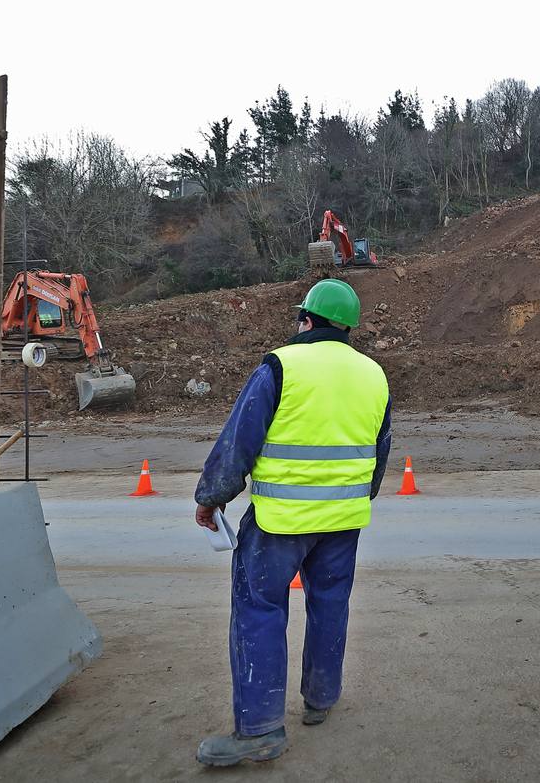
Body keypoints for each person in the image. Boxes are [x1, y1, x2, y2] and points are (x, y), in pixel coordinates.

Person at [193, 278, 391, 767]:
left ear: (306, 319)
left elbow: (240, 439)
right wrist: (354, 500)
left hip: (281, 522)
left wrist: (211, 497)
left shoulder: (281, 365)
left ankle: (259, 728)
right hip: (343, 521)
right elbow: (378, 453)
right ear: (347, 328)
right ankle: (321, 699)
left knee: (259, 610)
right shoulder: (374, 375)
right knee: (330, 606)